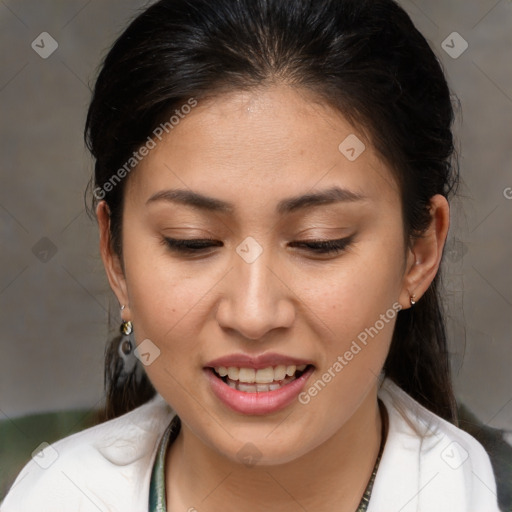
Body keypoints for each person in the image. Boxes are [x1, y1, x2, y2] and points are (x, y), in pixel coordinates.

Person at [1, 0, 502, 510]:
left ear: (419, 252)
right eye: (190, 241)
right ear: (116, 257)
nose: (253, 314)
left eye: (319, 241)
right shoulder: (53, 495)